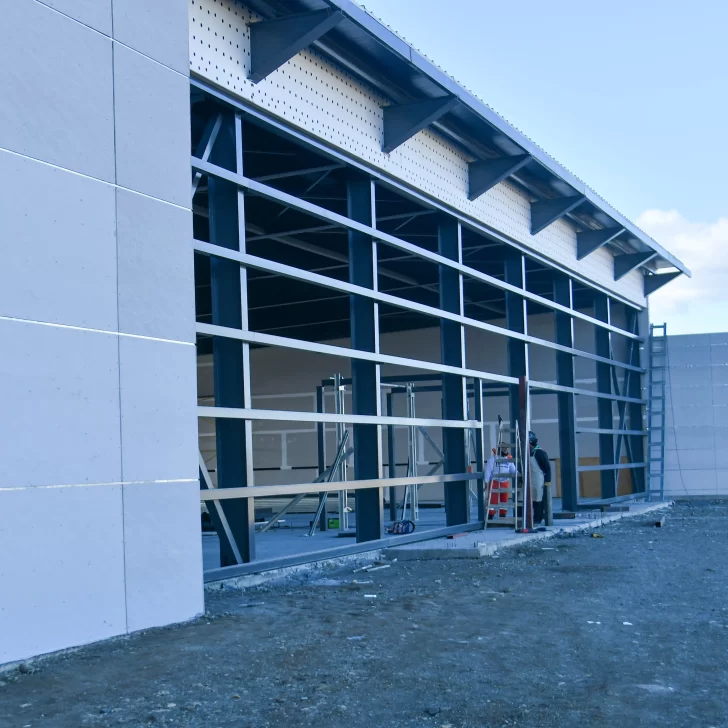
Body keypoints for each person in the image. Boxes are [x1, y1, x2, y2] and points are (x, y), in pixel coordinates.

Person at [485, 445, 516, 518]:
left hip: (505, 482)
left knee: (504, 500)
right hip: (494, 482)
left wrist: (519, 475)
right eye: (504, 449)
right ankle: (490, 515)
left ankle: (503, 515)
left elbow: (513, 470)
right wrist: (486, 482)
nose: (506, 451)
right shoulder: (492, 459)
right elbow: (488, 471)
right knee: (492, 500)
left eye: (506, 449)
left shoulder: (509, 460)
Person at [529, 431, 551, 526]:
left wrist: (548, 481)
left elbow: (547, 468)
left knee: (538, 499)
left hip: (538, 479)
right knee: (530, 499)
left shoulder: (540, 453)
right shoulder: (528, 453)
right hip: (530, 479)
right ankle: (531, 518)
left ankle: (538, 519)